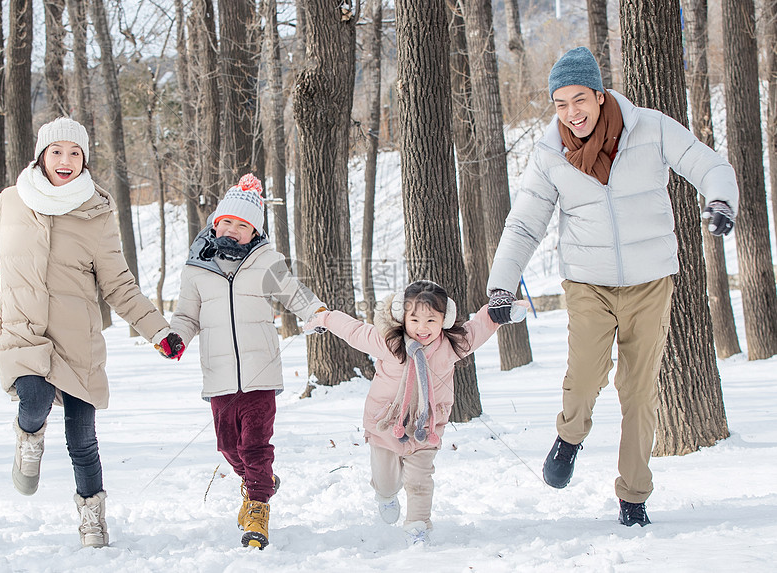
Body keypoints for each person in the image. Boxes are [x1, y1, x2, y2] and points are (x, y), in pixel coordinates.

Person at [484, 47, 738, 527]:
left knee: (638, 392)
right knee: (583, 378)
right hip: (587, 283)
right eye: (559, 104)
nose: (570, 113)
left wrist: (722, 200)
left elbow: (709, 165)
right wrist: (501, 286)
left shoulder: (651, 128)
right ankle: (570, 436)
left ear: (600, 96)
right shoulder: (550, 152)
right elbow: (524, 224)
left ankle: (634, 496)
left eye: (578, 99)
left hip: (649, 282)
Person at [0, 117, 185, 548]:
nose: (66, 161)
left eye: (75, 153)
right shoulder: (11, 202)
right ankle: (29, 436)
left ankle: (92, 518)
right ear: (42, 156)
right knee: (35, 397)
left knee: (83, 438)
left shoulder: (97, 213)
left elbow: (118, 284)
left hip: (77, 338)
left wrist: (159, 331)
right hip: (22, 330)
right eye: (57, 152)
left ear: (84, 159)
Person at [169, 173, 326, 550]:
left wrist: (315, 312)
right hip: (219, 375)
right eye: (229, 222)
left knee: (255, 445)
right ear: (215, 223)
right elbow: (186, 316)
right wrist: (175, 338)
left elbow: (292, 291)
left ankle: (257, 506)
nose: (235, 230)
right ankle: (262, 480)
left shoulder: (265, 261)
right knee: (228, 447)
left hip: (260, 374)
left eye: (244, 225)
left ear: (254, 232)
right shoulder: (196, 269)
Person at [305, 281, 508, 545]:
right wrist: (327, 318)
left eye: (431, 320)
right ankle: (385, 494)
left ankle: (418, 527)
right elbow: (354, 331)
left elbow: (479, 328)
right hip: (386, 424)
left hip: (425, 428)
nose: (422, 328)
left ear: (445, 320)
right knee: (387, 482)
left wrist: (499, 313)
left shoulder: (451, 346)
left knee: (420, 479)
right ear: (403, 318)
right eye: (415, 319)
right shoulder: (388, 342)